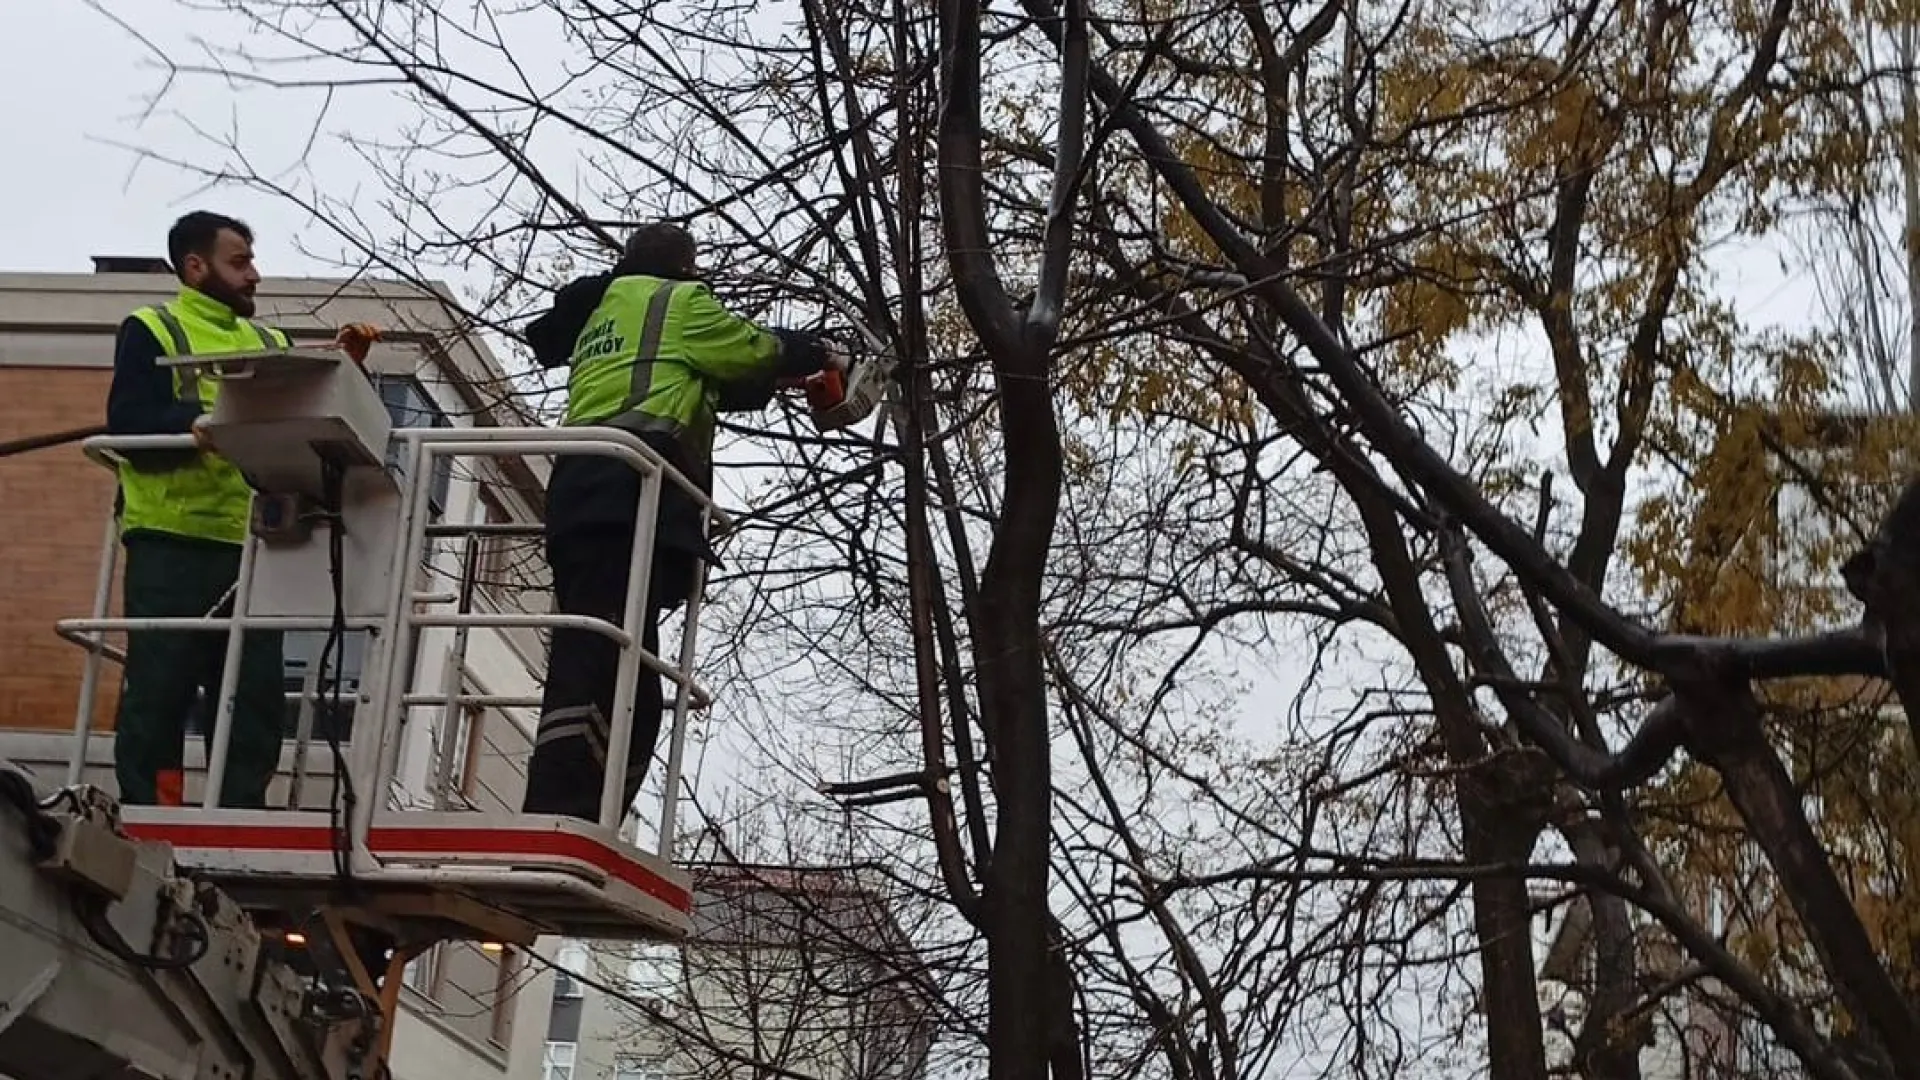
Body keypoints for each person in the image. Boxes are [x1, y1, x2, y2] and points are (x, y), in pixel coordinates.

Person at [521, 223, 843, 823]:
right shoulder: (679, 303)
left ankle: (591, 816)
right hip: (627, 494)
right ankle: (556, 814)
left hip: (584, 494)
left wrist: (772, 381)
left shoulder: (606, 309)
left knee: (629, 675)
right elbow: (751, 349)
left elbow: (714, 376)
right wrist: (818, 352)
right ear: (686, 270)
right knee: (594, 661)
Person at [106, 210, 381, 809]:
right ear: (195, 266)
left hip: (257, 549)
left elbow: (308, 419)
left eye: (252, 260)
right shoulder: (154, 328)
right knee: (161, 691)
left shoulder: (272, 344)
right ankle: (154, 817)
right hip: (172, 541)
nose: (254, 274)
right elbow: (128, 430)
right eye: (240, 262)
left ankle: (237, 816)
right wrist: (196, 426)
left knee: (255, 700)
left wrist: (341, 369)